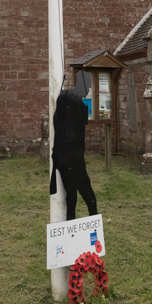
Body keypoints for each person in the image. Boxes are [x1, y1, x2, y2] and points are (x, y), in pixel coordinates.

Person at [49, 70, 98, 220]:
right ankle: (93, 222)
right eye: (88, 86)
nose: (89, 90)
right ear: (82, 86)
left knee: (72, 195)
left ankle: (73, 223)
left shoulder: (73, 102)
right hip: (72, 157)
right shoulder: (69, 100)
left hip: (67, 156)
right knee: (86, 193)